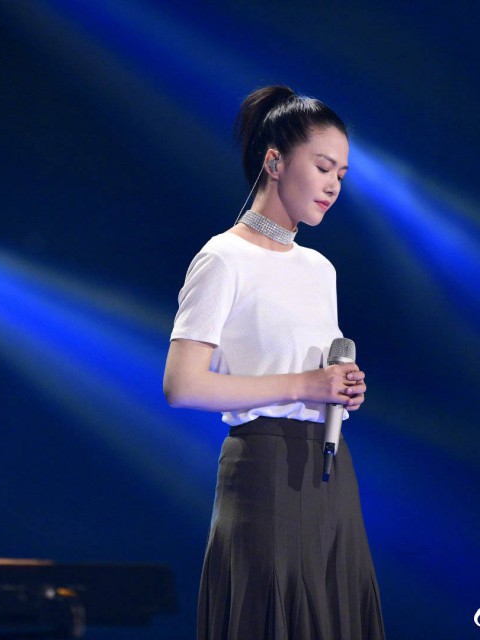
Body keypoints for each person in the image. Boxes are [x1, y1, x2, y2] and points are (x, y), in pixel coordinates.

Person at [163, 85, 385, 639]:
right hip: (264, 470)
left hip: (330, 469)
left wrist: (340, 389)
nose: (333, 185)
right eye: (323, 167)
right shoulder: (224, 258)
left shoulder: (320, 269)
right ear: (275, 162)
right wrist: (307, 384)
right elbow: (182, 385)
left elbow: (312, 376)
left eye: (342, 174)